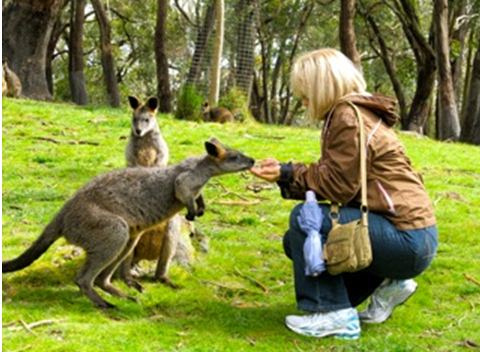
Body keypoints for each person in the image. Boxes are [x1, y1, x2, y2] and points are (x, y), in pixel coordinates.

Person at [249, 48, 438, 340]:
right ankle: (387, 283)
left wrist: (287, 173)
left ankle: (331, 313)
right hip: (415, 235)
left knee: (305, 219)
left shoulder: (347, 116)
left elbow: (337, 184)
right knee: (295, 242)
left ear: (321, 87)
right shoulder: (359, 113)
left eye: (305, 93)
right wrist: (286, 172)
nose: (303, 101)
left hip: (404, 238)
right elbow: (344, 178)